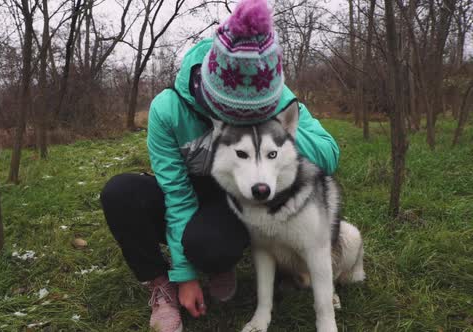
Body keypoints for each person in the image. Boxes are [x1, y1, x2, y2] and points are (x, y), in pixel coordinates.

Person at [100, 0, 339, 331]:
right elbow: (176, 194)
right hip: (187, 190)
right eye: (234, 117)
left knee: (212, 245)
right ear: (210, 98)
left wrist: (275, 127)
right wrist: (183, 275)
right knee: (120, 193)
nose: (242, 126)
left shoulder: (272, 90)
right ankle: (161, 285)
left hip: (232, 199)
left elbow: (329, 153)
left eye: (253, 116)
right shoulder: (168, 109)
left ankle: (217, 262)